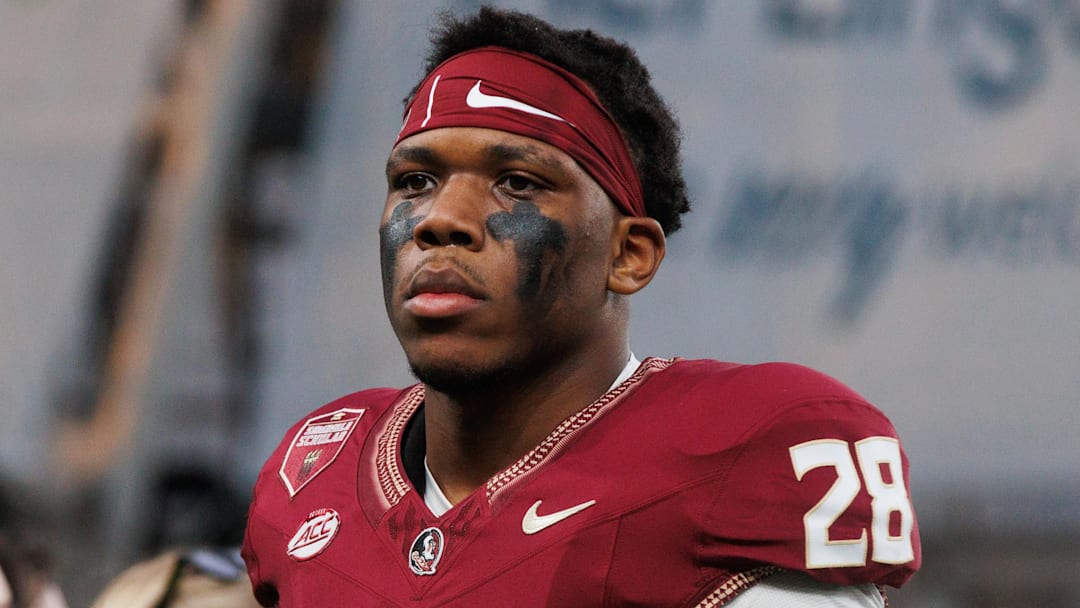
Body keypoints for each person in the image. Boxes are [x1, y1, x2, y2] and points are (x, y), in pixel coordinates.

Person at [242, 6, 921, 606]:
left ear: (628, 254)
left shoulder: (748, 454)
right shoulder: (316, 471)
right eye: (415, 180)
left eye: (517, 183)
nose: (440, 219)